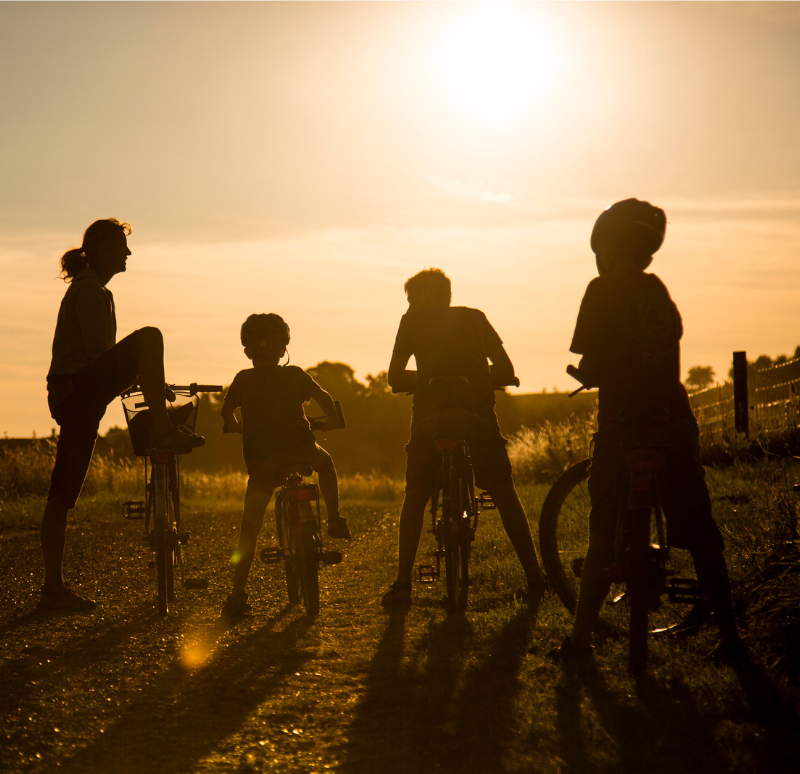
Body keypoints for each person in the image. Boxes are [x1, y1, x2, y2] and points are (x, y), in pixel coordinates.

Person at [557, 198, 744, 665]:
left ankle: (580, 642)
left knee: (602, 533)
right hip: (671, 420)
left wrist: (590, 372)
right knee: (701, 532)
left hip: (621, 423)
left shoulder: (600, 290)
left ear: (609, 246)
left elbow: (590, 360)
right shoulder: (658, 290)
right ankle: (730, 637)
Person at [39, 218, 204, 612]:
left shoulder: (95, 290)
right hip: (77, 390)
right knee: (150, 336)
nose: (128, 253)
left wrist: (151, 384)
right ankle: (162, 429)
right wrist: (144, 378)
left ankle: (52, 589)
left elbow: (106, 366)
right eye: (120, 246)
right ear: (99, 250)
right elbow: (101, 359)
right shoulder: (90, 291)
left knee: (62, 494)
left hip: (77, 396)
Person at [381, 268, 546, 607]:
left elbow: (394, 377)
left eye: (412, 299)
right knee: (502, 490)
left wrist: (428, 378)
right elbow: (506, 370)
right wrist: (476, 377)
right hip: (477, 416)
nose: (409, 307)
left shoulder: (410, 322)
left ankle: (403, 584)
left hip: (429, 419)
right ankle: (535, 577)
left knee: (416, 494)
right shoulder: (476, 317)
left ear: (427, 295)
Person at [220, 313, 350, 618]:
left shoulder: (243, 379)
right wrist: (332, 420)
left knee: (250, 528)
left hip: (263, 463)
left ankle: (237, 595)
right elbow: (323, 396)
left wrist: (236, 426)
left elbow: (226, 411)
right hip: (302, 450)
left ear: (248, 352)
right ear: (283, 350)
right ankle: (334, 519)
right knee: (326, 463)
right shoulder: (295, 375)